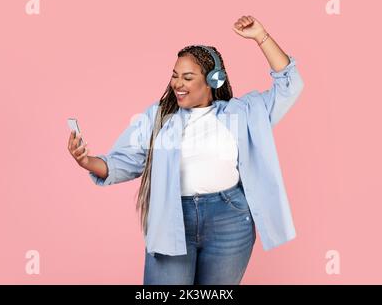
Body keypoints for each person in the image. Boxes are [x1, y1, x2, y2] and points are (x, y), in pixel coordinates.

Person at [68, 15, 304, 285]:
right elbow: (123, 162)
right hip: (172, 218)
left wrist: (261, 36)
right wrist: (86, 160)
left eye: (188, 77)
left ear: (213, 80)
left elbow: (290, 84)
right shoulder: (158, 117)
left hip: (230, 218)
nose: (177, 84)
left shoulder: (244, 113)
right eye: (174, 75)